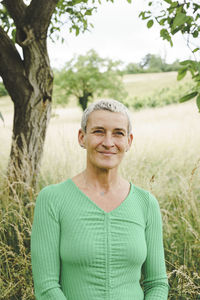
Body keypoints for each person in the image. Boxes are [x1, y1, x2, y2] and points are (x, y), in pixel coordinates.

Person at [31, 99, 169, 300]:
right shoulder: (52, 199)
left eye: (118, 133)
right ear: (82, 137)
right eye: (98, 131)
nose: (108, 142)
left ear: (129, 141)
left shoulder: (146, 203)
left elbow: (157, 283)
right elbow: (46, 287)